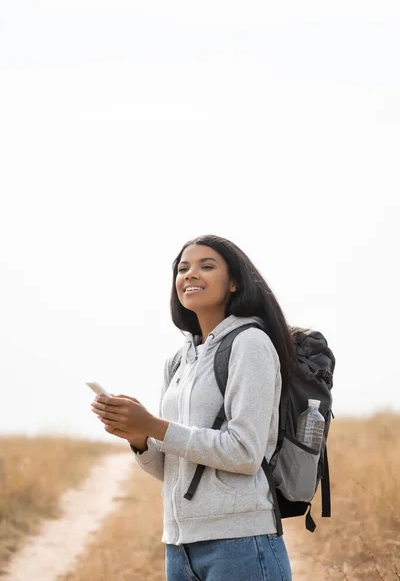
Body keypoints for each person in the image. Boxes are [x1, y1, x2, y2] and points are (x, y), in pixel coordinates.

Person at [91, 234, 298, 581]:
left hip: (241, 543)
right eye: (183, 268)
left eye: (206, 266)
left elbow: (245, 453)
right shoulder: (179, 360)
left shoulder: (250, 343)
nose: (190, 275)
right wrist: (140, 438)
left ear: (234, 282)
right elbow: (173, 469)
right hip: (179, 544)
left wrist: (155, 426)